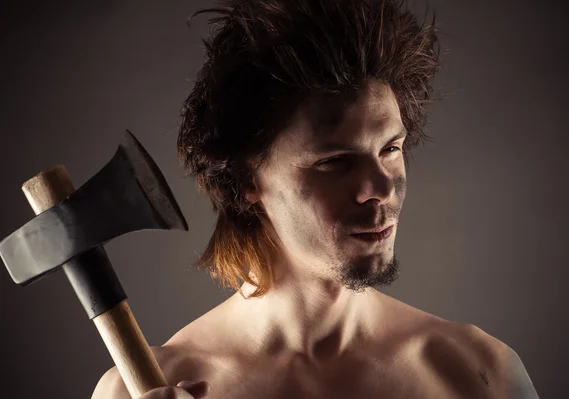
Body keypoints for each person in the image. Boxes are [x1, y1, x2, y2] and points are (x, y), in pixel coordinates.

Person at [92, 0, 538, 398]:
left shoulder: (480, 374)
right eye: (335, 161)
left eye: (391, 149)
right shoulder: (143, 388)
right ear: (246, 178)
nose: (381, 188)